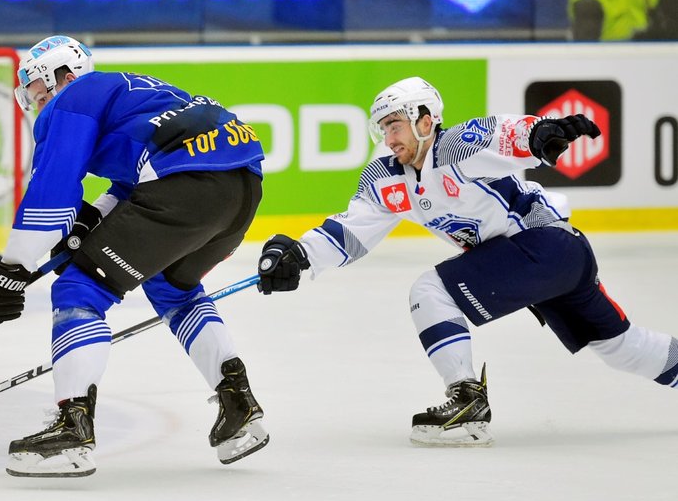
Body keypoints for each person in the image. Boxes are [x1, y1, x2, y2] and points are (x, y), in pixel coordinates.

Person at [256, 76, 678, 447]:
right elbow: (351, 230)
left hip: (546, 247)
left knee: (430, 291)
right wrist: (300, 254)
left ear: (425, 121)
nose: (389, 138)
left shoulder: (458, 145)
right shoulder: (386, 177)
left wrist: (543, 133)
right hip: (551, 260)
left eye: (395, 125)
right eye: (384, 129)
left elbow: (508, 134)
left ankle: (467, 402)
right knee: (621, 347)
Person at [0, 35, 267, 477]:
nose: (36, 103)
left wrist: (9, 269)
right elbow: (137, 184)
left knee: (79, 287)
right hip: (242, 188)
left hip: (187, 188)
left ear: (65, 77)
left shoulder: (73, 97)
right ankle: (239, 406)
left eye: (37, 89)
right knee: (172, 286)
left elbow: (51, 194)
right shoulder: (134, 88)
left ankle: (72, 429)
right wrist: (93, 223)